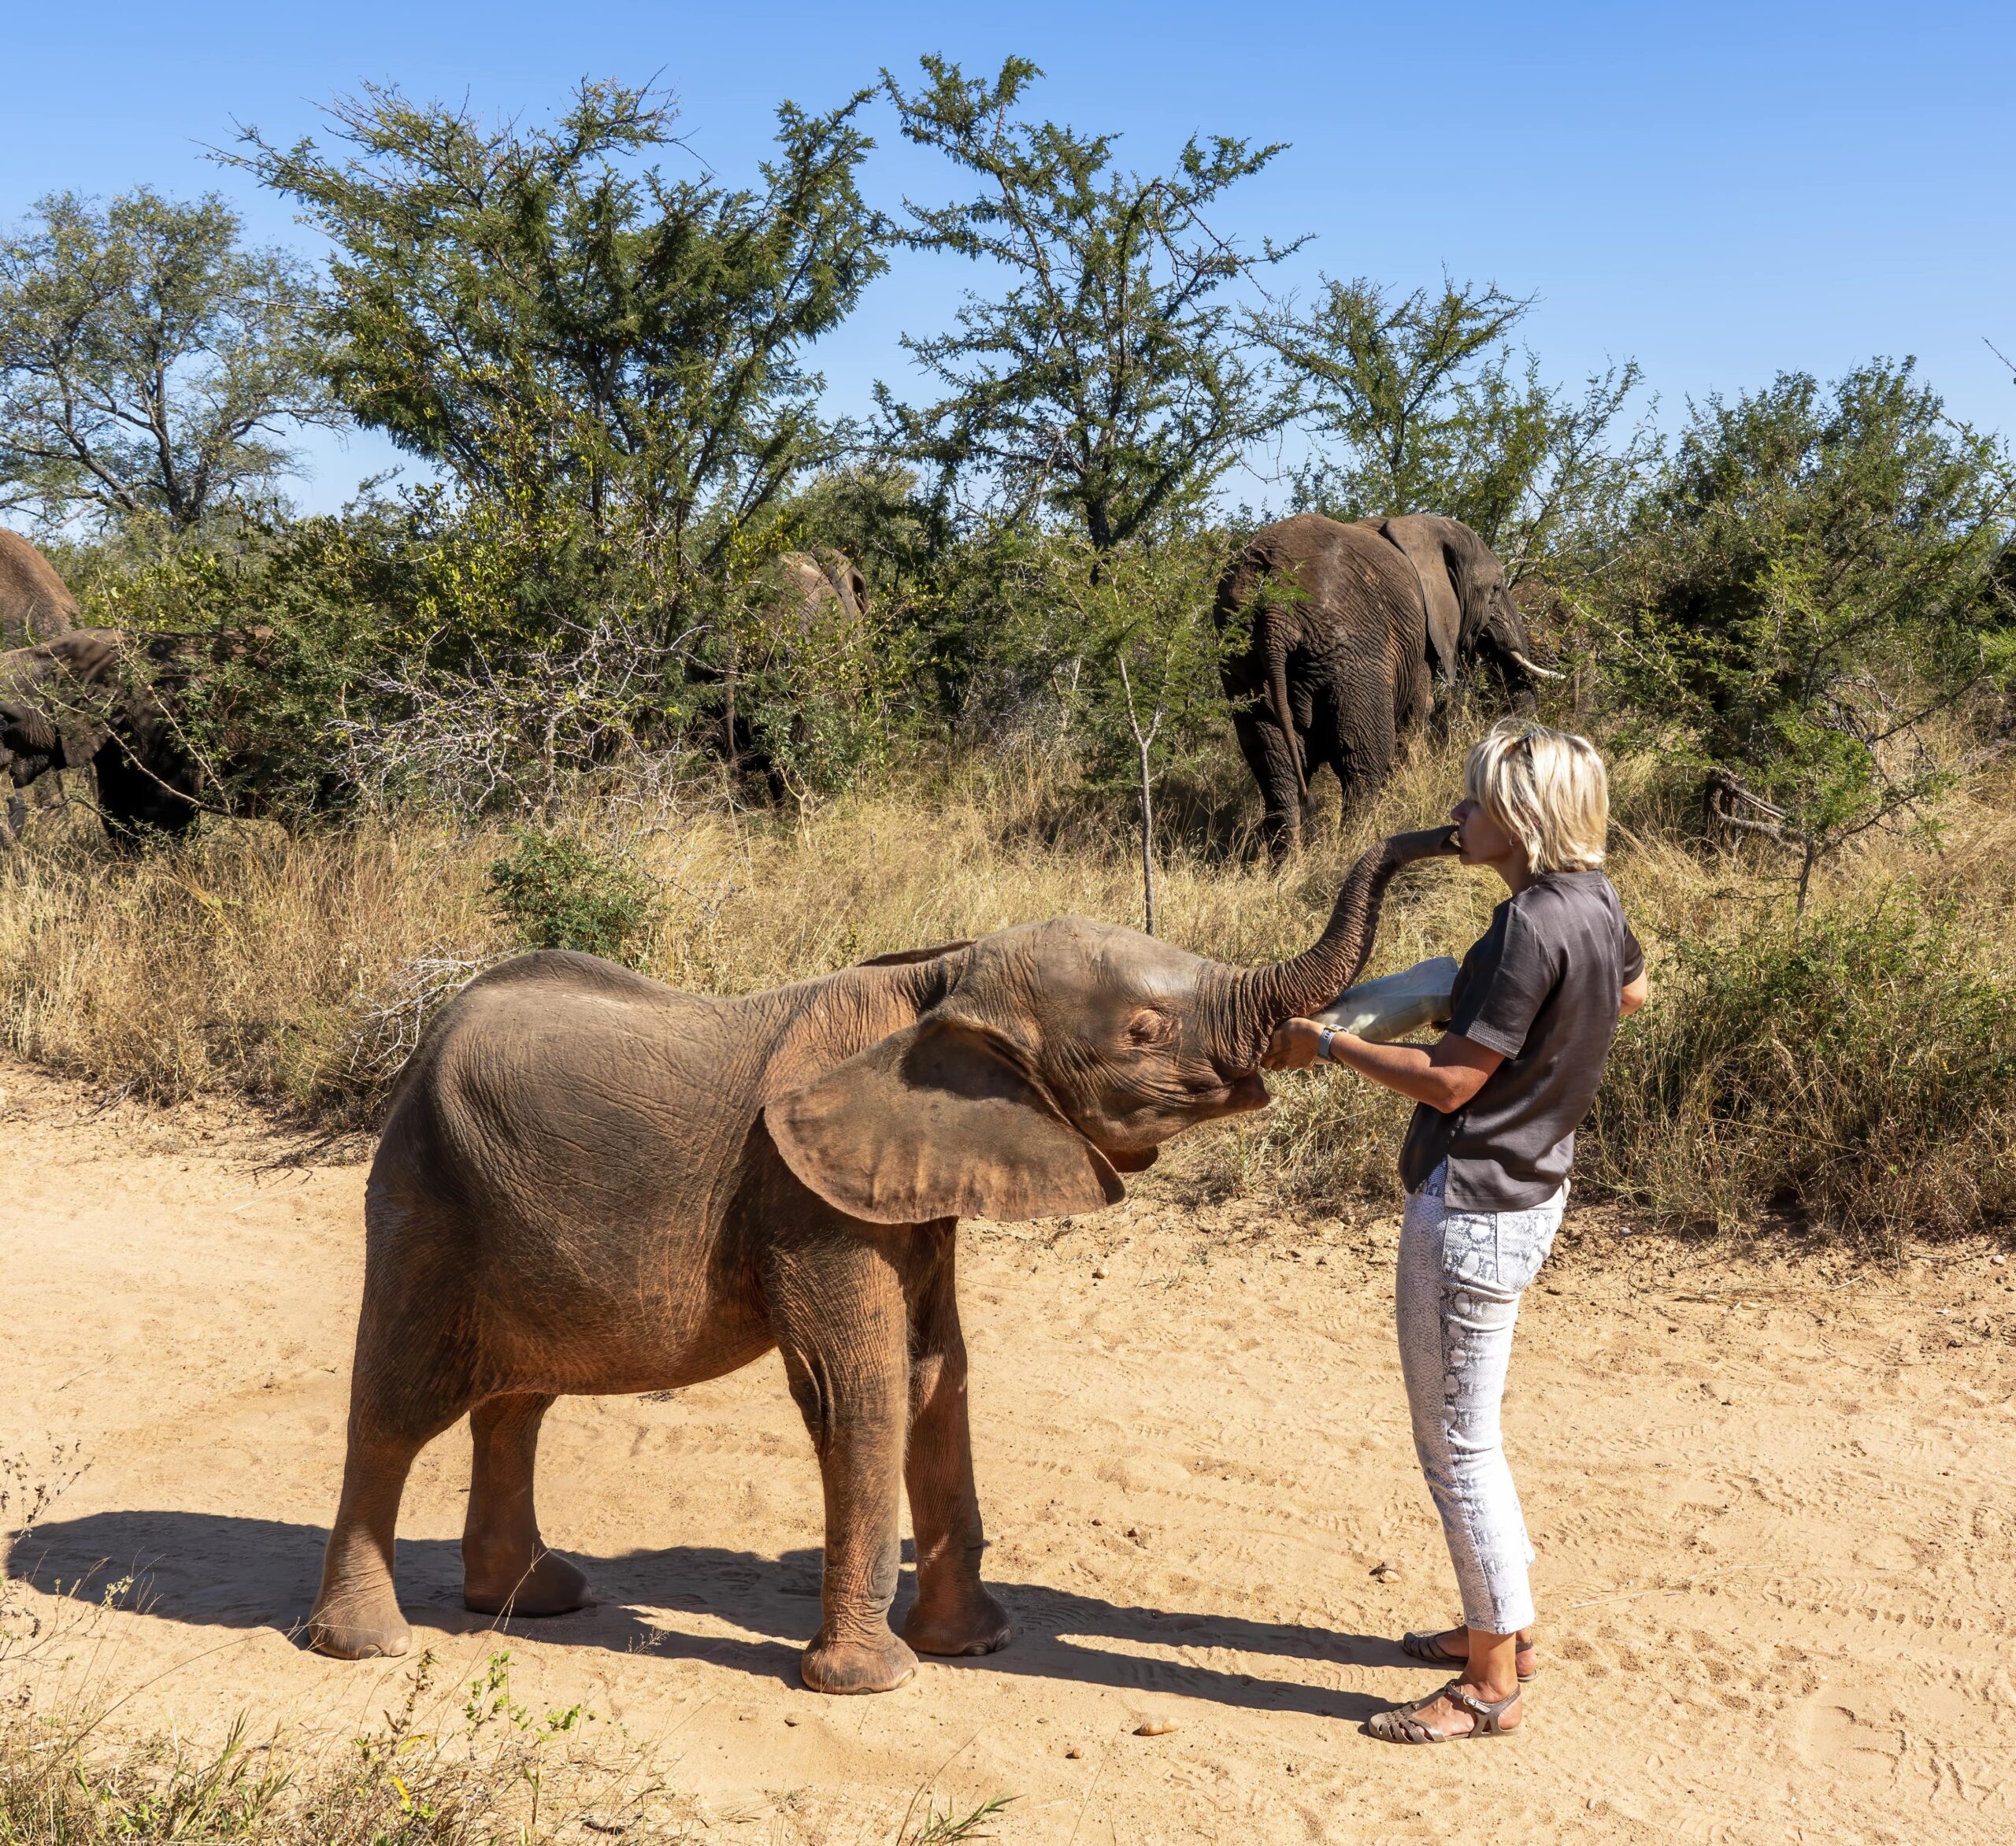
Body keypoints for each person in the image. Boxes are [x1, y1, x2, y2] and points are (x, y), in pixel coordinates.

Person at [1266, 719, 1648, 1744]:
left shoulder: (1527, 926)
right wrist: (1504, 1024)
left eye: (1474, 803)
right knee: (1473, 1440)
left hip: (1471, 1204)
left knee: (1458, 1453)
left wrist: (1334, 1043)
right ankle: (1504, 1633)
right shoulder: (1595, 904)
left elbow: (1450, 1082)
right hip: (1532, 1190)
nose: (1457, 817)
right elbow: (1629, 988)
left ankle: (1486, 1685)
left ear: (1522, 820)